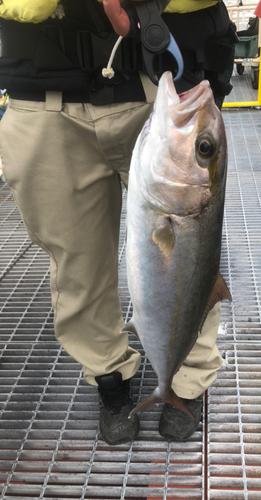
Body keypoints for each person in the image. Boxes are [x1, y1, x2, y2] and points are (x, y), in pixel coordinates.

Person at [0, 0, 235, 445]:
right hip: (38, 88)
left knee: (194, 260)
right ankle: (110, 377)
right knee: (76, 264)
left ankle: (187, 383)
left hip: (158, 70)